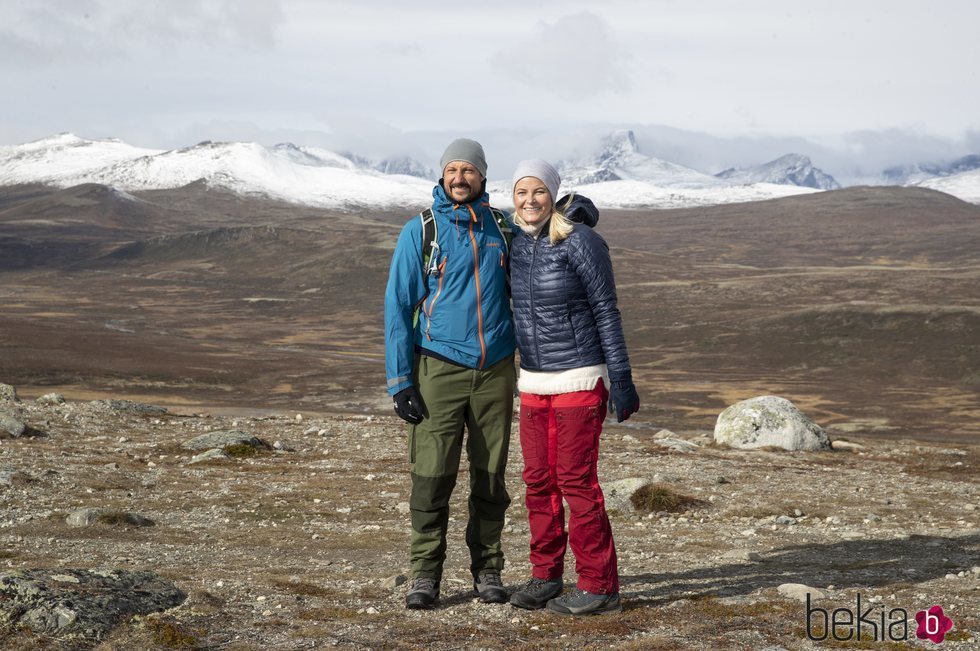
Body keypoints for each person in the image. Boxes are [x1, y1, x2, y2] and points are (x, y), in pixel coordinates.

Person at [384, 138, 517, 610]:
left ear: (483, 177)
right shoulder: (421, 230)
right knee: (432, 475)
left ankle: (488, 569)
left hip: (496, 369)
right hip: (438, 367)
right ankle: (425, 574)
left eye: (469, 170)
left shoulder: (502, 228)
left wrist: (573, 224)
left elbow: (542, 260)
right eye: (453, 170)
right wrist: (401, 381)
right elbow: (399, 306)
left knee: (489, 476)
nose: (460, 178)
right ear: (442, 176)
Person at [505, 159, 640, 616]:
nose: (530, 201)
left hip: (580, 379)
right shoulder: (516, 245)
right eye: (522, 192)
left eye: (538, 191)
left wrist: (620, 378)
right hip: (534, 382)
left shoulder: (580, 241)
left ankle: (600, 586)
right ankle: (545, 576)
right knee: (538, 481)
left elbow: (606, 310)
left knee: (576, 483)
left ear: (554, 194)